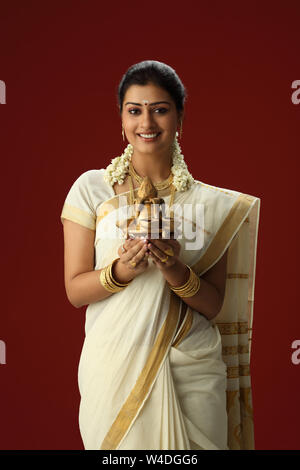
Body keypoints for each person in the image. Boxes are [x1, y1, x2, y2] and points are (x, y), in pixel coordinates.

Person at [60, 60, 260, 450]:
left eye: (160, 109)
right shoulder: (90, 189)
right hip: (115, 364)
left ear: (179, 117)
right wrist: (120, 270)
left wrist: (173, 268)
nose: (146, 122)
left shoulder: (209, 205)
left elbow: (214, 304)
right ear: (121, 119)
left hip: (191, 365)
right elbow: (74, 290)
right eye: (134, 110)